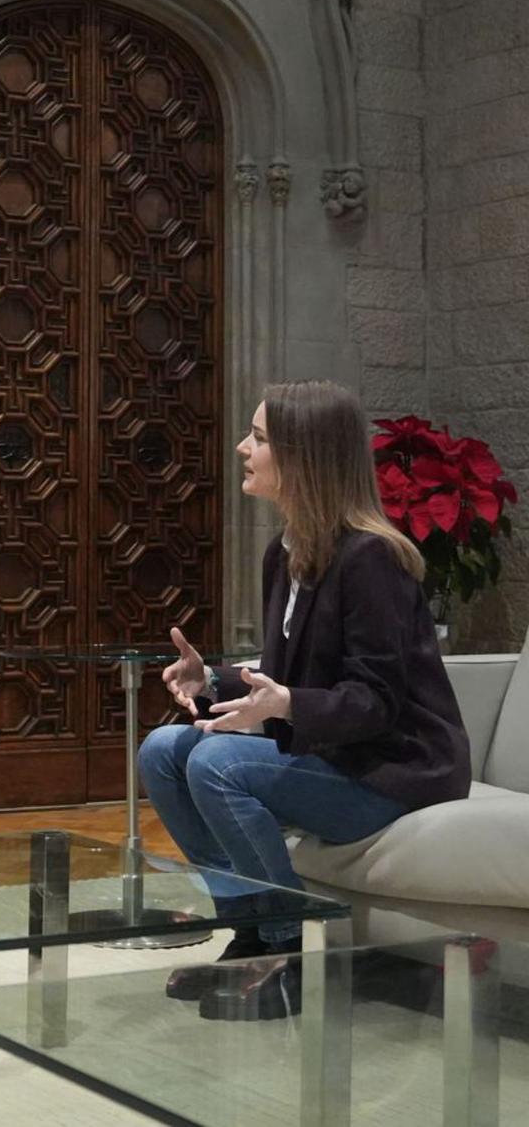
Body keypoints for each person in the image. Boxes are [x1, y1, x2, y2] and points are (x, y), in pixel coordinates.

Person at [138, 380, 470, 1021]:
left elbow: (374, 701)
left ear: (302, 455)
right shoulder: (283, 554)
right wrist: (211, 683)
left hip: (393, 772)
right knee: (163, 751)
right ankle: (250, 935)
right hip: (336, 759)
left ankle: (295, 955)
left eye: (258, 438)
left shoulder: (373, 559)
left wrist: (284, 704)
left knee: (217, 763)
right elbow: (289, 675)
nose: (243, 447)